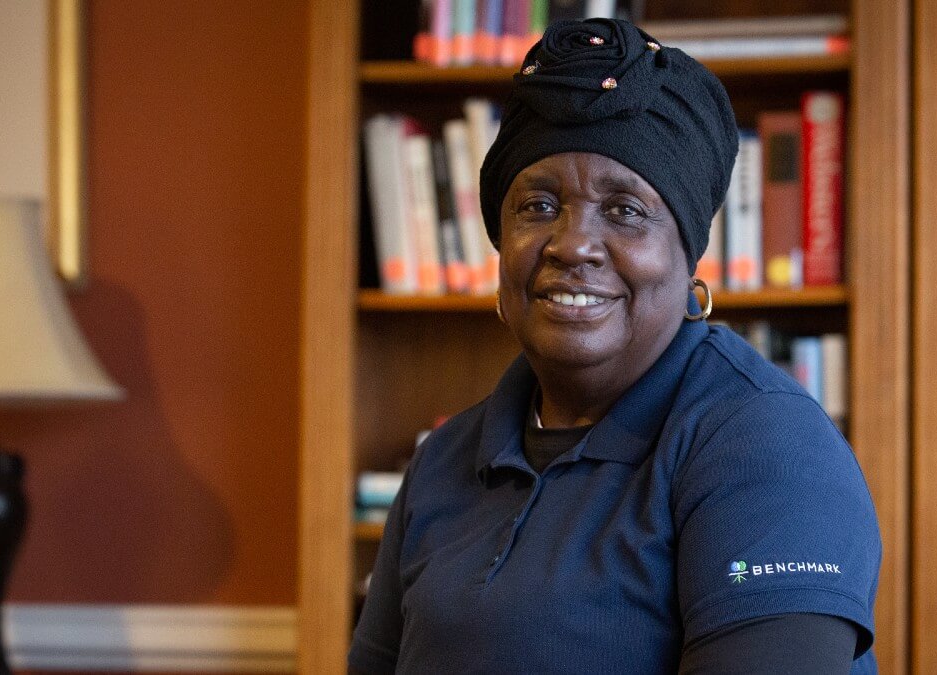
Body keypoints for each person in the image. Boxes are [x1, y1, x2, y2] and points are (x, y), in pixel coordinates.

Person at [349, 18, 880, 675]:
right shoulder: (444, 461)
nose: (571, 244)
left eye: (626, 209)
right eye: (537, 206)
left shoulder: (763, 446)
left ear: (687, 257)